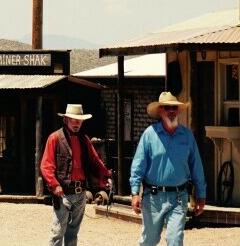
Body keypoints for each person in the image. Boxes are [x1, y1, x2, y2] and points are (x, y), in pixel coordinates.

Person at [129, 92, 206, 246]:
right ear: (160, 111)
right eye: (167, 107)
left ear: (178, 111)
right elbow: (138, 166)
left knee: (175, 241)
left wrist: (201, 195)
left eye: (174, 107)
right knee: (149, 241)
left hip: (179, 197)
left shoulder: (188, 136)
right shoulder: (149, 135)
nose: (171, 110)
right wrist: (135, 193)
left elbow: (197, 167)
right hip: (153, 198)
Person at [40, 103, 112, 246]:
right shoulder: (54, 138)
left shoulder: (84, 140)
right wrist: (54, 185)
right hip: (63, 193)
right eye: (73, 119)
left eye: (79, 120)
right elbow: (46, 165)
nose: (76, 123)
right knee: (57, 232)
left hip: (81, 193)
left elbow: (95, 161)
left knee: (73, 233)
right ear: (66, 119)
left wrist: (105, 176)